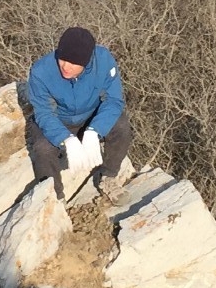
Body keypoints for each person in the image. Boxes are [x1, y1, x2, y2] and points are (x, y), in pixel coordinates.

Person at [25, 26, 134, 200]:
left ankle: (108, 177)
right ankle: (55, 199)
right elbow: (44, 112)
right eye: (62, 58)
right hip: (60, 120)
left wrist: (94, 130)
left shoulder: (103, 61)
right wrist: (66, 138)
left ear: (86, 61)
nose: (66, 66)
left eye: (74, 62)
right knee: (43, 149)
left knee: (121, 127)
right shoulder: (41, 71)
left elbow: (113, 100)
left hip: (91, 115)